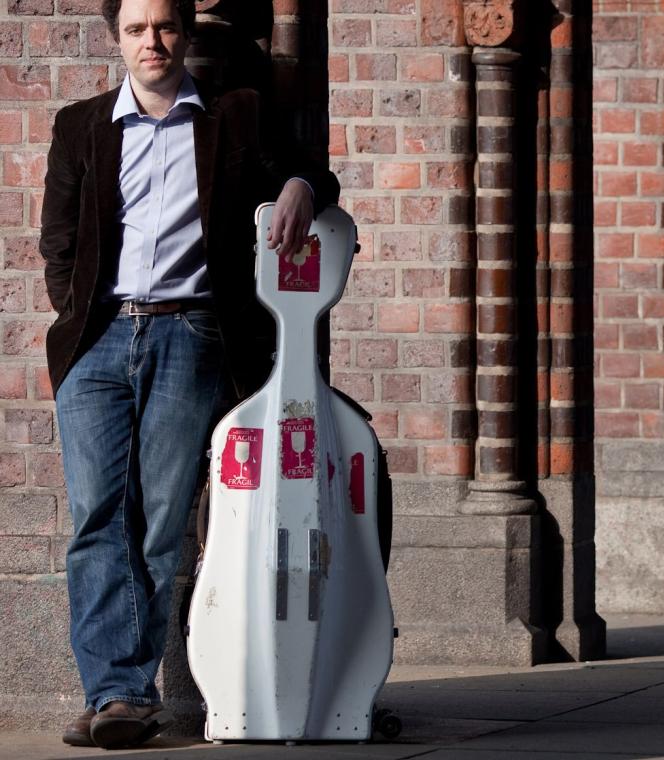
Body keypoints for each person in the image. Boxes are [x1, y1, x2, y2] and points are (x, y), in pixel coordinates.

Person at [39, 0, 339, 748]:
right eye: (138, 29)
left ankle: (125, 693)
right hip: (99, 340)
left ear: (185, 33)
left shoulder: (233, 116)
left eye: (165, 26)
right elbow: (59, 242)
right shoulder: (81, 125)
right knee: (97, 518)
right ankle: (119, 693)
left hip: (189, 333)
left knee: (162, 516)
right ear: (118, 37)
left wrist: (302, 188)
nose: (153, 42)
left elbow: (311, 176)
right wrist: (80, 321)